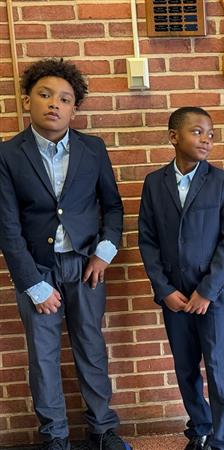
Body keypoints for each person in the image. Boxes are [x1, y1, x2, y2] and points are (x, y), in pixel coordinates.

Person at [0, 58, 129, 450]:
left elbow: (114, 207)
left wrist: (104, 253)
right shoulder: (8, 155)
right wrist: (33, 285)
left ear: (75, 108)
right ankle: (54, 436)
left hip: (85, 265)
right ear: (28, 101)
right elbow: (7, 226)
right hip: (37, 269)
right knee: (43, 356)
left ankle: (103, 429)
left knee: (91, 345)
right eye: (45, 95)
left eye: (65, 98)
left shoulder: (93, 149)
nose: (54, 103)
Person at [138, 107, 224, 450]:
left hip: (213, 295)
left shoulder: (220, 181)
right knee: (185, 368)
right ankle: (201, 427)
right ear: (173, 137)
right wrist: (164, 289)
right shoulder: (154, 183)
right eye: (198, 132)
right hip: (175, 298)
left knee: (218, 368)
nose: (206, 140)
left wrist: (207, 290)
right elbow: (147, 239)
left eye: (210, 134)